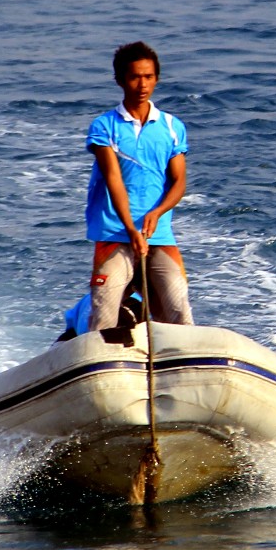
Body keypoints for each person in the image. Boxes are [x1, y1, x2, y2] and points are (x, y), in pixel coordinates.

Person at [83, 40, 192, 333]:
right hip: (114, 233)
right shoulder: (104, 127)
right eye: (134, 77)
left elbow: (179, 181)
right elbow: (113, 179)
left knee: (179, 313)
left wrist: (158, 213)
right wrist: (131, 228)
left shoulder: (171, 126)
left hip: (159, 234)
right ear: (120, 80)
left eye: (149, 76)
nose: (142, 84)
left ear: (156, 78)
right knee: (104, 318)